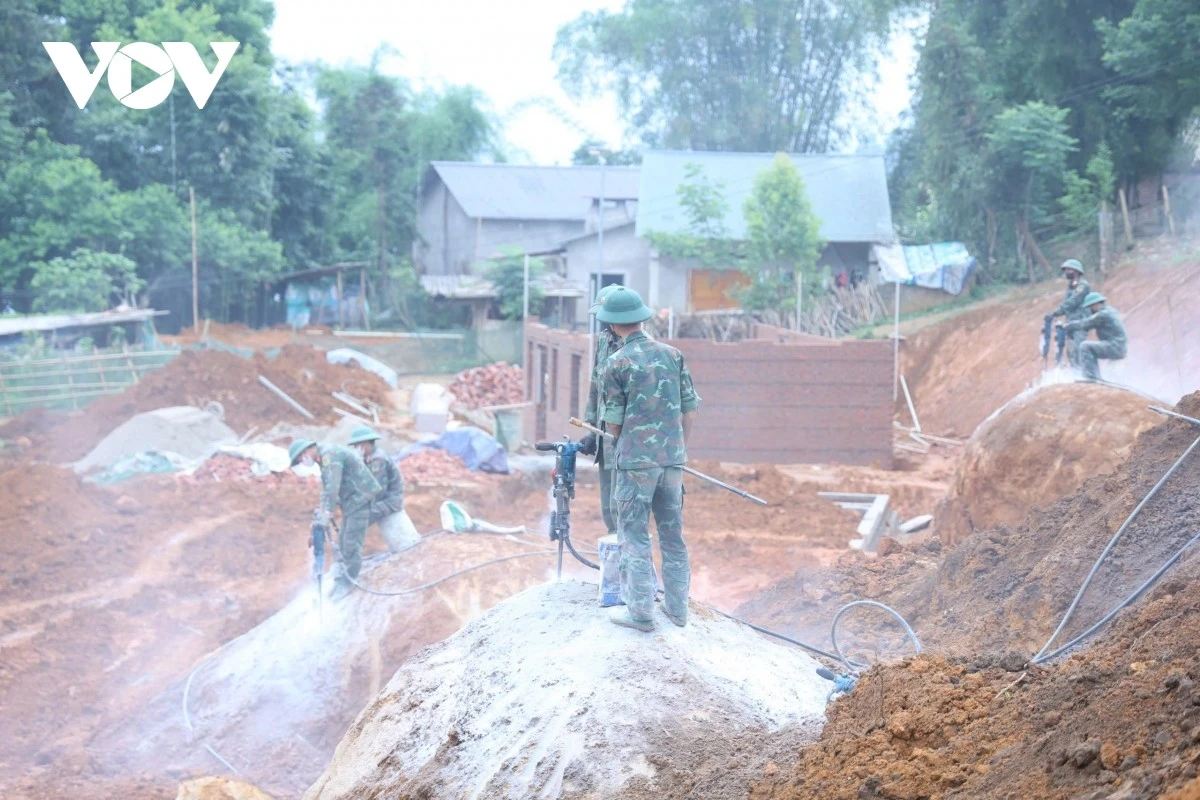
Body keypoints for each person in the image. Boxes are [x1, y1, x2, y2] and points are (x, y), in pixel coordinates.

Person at [599, 287, 700, 632]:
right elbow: (689, 410)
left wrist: (624, 442)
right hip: (672, 463)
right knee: (673, 536)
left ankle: (641, 613)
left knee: (634, 537)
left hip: (635, 465)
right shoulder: (673, 355)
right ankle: (678, 610)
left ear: (612, 325)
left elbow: (613, 423)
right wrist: (677, 451)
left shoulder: (616, 363)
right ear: (641, 319)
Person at [289, 438, 382, 600]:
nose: (302, 462)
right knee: (344, 539)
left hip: (361, 497)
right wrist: (320, 514)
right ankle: (342, 578)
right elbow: (326, 490)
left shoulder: (330, 456)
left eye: (300, 459)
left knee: (351, 541)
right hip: (351, 498)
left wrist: (325, 516)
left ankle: (348, 582)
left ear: (306, 452)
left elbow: (332, 489)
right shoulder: (323, 457)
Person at [578, 283, 624, 538]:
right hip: (604, 436)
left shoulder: (636, 346)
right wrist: (591, 428)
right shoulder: (604, 341)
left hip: (625, 440)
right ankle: (613, 546)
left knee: (622, 506)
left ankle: (627, 554)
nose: (602, 322)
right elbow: (596, 385)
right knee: (608, 504)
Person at [1060, 292, 1127, 382]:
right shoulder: (1110, 311)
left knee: (1085, 346)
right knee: (1090, 347)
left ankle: (1091, 377)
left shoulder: (1102, 315)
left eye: (1090, 307)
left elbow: (1085, 324)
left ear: (1095, 305)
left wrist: (1067, 326)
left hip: (1115, 346)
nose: (1090, 310)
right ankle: (1095, 376)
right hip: (1119, 346)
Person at [347, 426, 405, 527]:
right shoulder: (367, 458)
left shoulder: (378, 460)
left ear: (366, 444)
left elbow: (377, 490)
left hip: (389, 501)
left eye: (358, 445)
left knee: (358, 519)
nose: (356, 449)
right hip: (381, 501)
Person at [1045, 259, 1092, 367]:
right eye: (1065, 270)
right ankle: (1075, 372)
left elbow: (1072, 302)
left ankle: (1084, 372)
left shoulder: (1083, 285)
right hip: (1070, 323)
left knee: (1078, 349)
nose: (1066, 272)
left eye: (1068, 270)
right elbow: (1067, 303)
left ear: (1076, 271)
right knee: (1070, 352)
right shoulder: (1070, 286)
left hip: (1081, 323)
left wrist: (1055, 313)